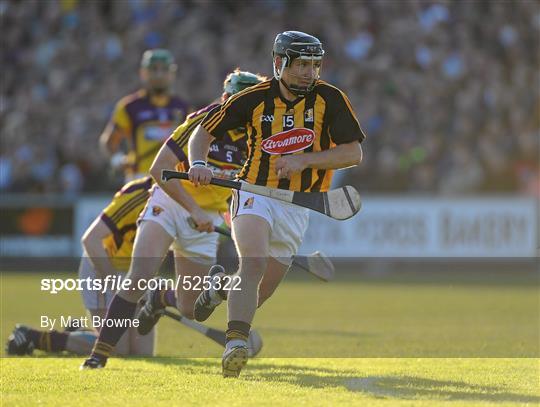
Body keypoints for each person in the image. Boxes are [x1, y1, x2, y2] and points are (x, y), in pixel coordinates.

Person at [187, 31, 366, 377]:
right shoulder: (253, 98)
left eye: (314, 65)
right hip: (254, 191)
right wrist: (198, 163)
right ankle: (236, 344)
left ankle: (220, 287)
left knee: (258, 292)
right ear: (279, 63)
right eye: (300, 64)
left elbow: (353, 153)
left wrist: (305, 161)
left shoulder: (331, 99)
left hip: (296, 205)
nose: (308, 72)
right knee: (252, 264)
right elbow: (203, 133)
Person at [80, 69, 267, 369]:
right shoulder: (200, 122)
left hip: (206, 217)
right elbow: (159, 169)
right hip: (170, 201)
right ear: (224, 99)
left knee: (190, 308)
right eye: (235, 104)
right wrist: (192, 204)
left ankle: (160, 297)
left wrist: (232, 220)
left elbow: (246, 191)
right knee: (138, 276)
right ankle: (97, 357)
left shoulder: (259, 139)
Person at [6, 177, 155, 356]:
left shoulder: (183, 197)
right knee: (115, 349)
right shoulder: (140, 194)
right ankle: (33, 337)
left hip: (134, 272)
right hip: (102, 266)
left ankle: (78, 334)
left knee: (142, 353)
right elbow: (91, 240)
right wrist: (117, 284)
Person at [100, 49, 189, 182]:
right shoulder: (129, 107)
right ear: (143, 73)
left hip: (173, 180)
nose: (159, 75)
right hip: (140, 178)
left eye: (164, 70)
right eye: (153, 69)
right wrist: (117, 159)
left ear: (172, 74)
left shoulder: (183, 108)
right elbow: (109, 141)